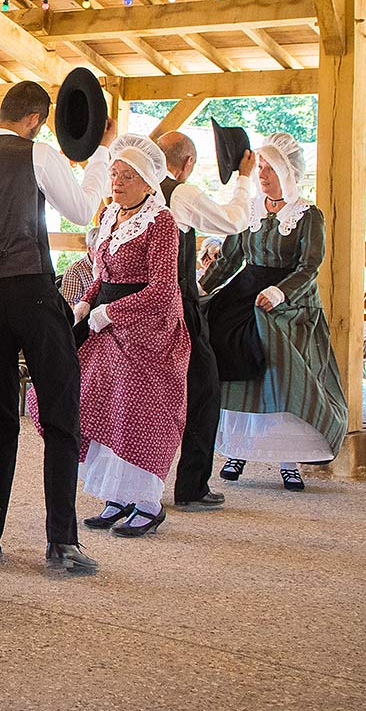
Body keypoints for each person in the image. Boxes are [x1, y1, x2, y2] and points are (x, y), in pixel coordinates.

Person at [0, 81, 108, 576]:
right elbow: (79, 209)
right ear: (35, 118)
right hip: (33, 290)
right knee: (59, 413)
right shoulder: (39, 154)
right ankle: (62, 543)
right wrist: (97, 159)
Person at [34, 136, 189, 537]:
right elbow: (101, 275)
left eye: (127, 176)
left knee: (138, 411)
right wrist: (85, 304)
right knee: (93, 402)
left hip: (147, 328)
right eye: (114, 174)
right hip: (103, 321)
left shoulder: (161, 222)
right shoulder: (108, 216)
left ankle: (148, 502)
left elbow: (163, 289)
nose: (116, 182)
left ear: (148, 181)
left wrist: (110, 312)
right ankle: (117, 495)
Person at [200, 132, 348, 491]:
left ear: (289, 172)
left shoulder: (308, 215)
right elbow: (233, 257)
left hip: (289, 299)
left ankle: (287, 459)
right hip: (247, 289)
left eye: (270, 168)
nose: (262, 175)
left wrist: (279, 293)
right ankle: (238, 448)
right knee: (219, 335)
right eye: (260, 167)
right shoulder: (250, 210)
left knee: (278, 368)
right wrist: (201, 288)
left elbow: (309, 265)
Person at [152, 129, 259, 511]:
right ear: (188, 164)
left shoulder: (138, 191)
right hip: (179, 307)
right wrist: (245, 179)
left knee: (150, 396)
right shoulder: (180, 193)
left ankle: (135, 486)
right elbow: (233, 221)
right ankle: (192, 486)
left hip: (141, 307)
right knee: (204, 391)